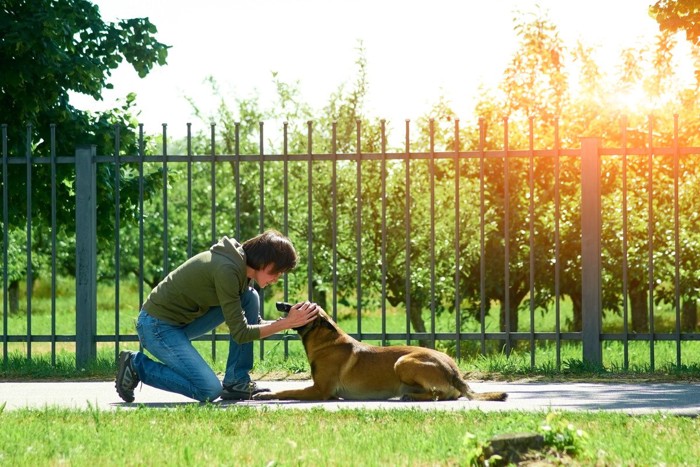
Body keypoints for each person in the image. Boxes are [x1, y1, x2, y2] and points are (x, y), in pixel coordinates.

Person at [114, 229, 320, 403]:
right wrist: (286, 323)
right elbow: (242, 333)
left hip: (180, 324)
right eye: (278, 271)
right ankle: (137, 365)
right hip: (156, 327)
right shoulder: (227, 270)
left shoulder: (240, 271)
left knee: (249, 297)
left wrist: (291, 321)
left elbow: (251, 327)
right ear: (266, 262)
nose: (277, 279)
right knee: (209, 390)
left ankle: (236, 381)